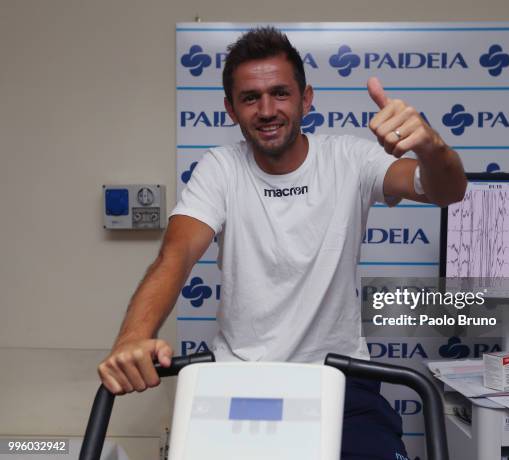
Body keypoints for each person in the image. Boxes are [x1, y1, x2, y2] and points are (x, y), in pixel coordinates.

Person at [98, 27, 466, 459]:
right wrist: (133, 337)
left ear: (306, 99)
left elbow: (446, 190)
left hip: (342, 385)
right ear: (230, 110)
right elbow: (175, 256)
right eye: (250, 98)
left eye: (280, 93)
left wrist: (430, 146)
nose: (267, 110)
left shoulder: (349, 158)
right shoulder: (220, 168)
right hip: (241, 383)